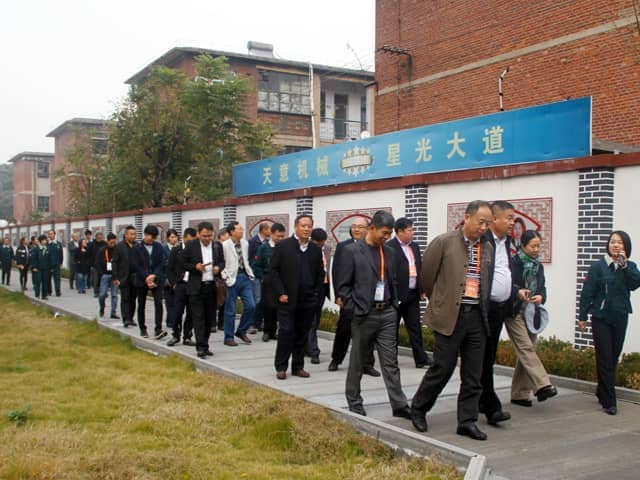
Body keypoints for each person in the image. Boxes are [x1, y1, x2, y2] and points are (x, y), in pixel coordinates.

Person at [410, 200, 493, 441]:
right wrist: (440, 301)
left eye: (488, 224)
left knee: (473, 374)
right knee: (442, 368)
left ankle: (467, 421)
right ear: (467, 217)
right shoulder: (444, 242)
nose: (484, 228)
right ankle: (419, 408)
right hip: (450, 316)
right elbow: (427, 277)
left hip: (477, 316)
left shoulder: (487, 247)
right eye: (481, 222)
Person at [335, 210, 411, 418]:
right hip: (364, 314)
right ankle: (354, 401)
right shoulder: (352, 251)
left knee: (390, 361)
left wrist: (394, 304)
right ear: (372, 228)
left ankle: (399, 404)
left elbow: (392, 280)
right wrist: (355, 308)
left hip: (387, 313)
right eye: (384, 233)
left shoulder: (390, 252)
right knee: (358, 361)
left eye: (389, 234)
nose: (386, 237)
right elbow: (343, 286)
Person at [579, 230, 640, 415]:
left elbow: (635, 284)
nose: (616, 245)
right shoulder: (598, 267)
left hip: (620, 316)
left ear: (625, 246)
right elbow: (587, 292)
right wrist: (582, 316)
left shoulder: (629, 266)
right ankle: (609, 401)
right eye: (613, 242)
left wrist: (625, 266)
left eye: (620, 242)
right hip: (601, 317)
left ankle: (602, 390)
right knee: (605, 357)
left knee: (613, 357)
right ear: (608, 245)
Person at [270, 214, 325, 380]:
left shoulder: (315, 249)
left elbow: (319, 273)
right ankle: (281, 366)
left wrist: (316, 294)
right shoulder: (284, 246)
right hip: (287, 299)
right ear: (295, 227)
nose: (306, 229)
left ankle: (298, 366)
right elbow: (273, 271)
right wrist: (280, 292)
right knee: (286, 332)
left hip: (308, 299)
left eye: (309, 226)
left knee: (302, 334)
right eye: (303, 226)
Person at [507, 230, 557, 407]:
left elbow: (542, 288)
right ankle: (543, 385)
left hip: (531, 311)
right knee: (526, 347)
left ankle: (519, 394)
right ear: (523, 246)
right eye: (533, 246)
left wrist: (541, 297)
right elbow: (507, 285)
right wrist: (518, 292)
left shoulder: (538, 266)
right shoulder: (513, 263)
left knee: (526, 352)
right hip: (514, 311)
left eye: (538, 246)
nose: (536, 249)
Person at [478, 201, 515, 427]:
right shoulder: (483, 241)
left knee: (488, 357)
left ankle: (481, 401)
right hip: (484, 308)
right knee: (482, 357)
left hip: (500, 309)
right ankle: (491, 406)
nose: (512, 222)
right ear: (495, 219)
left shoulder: (506, 241)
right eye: (509, 218)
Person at [328, 217, 378, 376]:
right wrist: (339, 295)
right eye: (354, 226)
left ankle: (367, 364)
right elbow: (336, 272)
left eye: (360, 227)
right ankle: (336, 359)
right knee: (344, 330)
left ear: (368, 229)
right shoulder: (344, 246)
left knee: (368, 333)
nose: (356, 229)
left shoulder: (373, 247)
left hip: (368, 299)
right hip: (349, 298)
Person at [387, 217, 430, 368]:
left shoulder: (415, 247)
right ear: (399, 232)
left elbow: (419, 268)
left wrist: (422, 289)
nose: (413, 233)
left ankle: (421, 360)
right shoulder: (390, 247)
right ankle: (391, 360)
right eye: (410, 230)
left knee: (415, 328)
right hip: (396, 295)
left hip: (412, 294)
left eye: (413, 230)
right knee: (392, 330)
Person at [182, 222, 225, 358]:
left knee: (209, 319)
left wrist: (218, 268)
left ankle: (205, 344)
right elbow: (183, 262)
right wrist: (195, 267)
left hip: (211, 286)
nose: (207, 238)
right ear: (199, 234)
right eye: (204, 236)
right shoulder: (191, 246)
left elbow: (222, 262)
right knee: (198, 318)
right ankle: (200, 347)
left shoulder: (217, 246)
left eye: (209, 236)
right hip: (196, 287)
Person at [221, 221, 256, 347]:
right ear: (232, 232)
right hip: (232, 278)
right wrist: (225, 276)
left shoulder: (245, 243)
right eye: (239, 229)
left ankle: (241, 330)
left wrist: (250, 273)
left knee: (251, 305)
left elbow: (246, 259)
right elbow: (221, 262)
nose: (242, 231)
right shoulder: (225, 245)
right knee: (230, 309)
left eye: (242, 229)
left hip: (245, 277)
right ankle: (228, 337)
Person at [254, 223, 286, 343]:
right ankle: (267, 331)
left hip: (281, 281)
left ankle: (274, 331)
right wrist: (263, 278)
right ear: (272, 234)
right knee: (268, 307)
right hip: (268, 281)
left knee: (279, 307)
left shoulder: (285, 248)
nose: (280, 239)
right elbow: (257, 266)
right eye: (278, 236)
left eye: (282, 236)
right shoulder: (264, 248)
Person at [131, 225, 166, 339]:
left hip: (156, 279)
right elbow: (136, 265)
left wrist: (154, 275)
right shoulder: (137, 248)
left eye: (153, 238)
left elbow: (161, 263)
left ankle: (158, 328)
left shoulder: (158, 247)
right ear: (145, 235)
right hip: (142, 280)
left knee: (158, 303)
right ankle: (143, 328)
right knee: (141, 304)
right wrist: (146, 277)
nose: (150, 239)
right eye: (148, 236)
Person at [166, 228, 197, 347]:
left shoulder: (196, 251)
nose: (191, 243)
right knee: (178, 311)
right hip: (180, 284)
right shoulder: (176, 250)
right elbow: (169, 268)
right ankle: (175, 335)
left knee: (191, 312)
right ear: (184, 238)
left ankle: (187, 336)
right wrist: (173, 283)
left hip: (192, 284)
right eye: (189, 241)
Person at [306, 227, 330, 364]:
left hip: (323, 288)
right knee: (312, 321)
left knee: (315, 320)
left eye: (323, 242)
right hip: (310, 290)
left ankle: (307, 347)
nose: (321, 245)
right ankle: (314, 351)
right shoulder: (307, 250)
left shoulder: (327, 249)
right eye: (319, 243)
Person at [112, 225, 137, 328]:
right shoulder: (119, 246)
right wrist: (115, 277)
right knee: (125, 298)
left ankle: (131, 318)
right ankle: (126, 319)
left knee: (133, 299)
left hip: (135, 277)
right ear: (126, 235)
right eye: (131, 234)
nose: (133, 236)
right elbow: (115, 262)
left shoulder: (137, 246)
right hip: (124, 277)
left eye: (134, 234)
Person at [248, 222, 271, 333]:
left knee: (263, 300)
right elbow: (250, 258)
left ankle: (258, 322)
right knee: (256, 299)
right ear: (264, 230)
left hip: (264, 275)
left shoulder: (267, 242)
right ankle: (251, 324)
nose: (270, 232)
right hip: (255, 275)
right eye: (269, 229)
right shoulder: (253, 242)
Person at [96, 233, 119, 319]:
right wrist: (101, 273)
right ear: (107, 241)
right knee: (102, 294)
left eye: (114, 242)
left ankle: (113, 312)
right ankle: (102, 308)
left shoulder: (118, 250)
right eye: (111, 242)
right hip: (105, 274)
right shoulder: (102, 250)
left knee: (114, 295)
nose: (113, 244)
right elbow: (97, 262)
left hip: (115, 275)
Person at [163, 229, 180, 330]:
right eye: (172, 237)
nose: (174, 239)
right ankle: (170, 320)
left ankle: (175, 320)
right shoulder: (164, 249)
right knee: (169, 301)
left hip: (177, 279)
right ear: (168, 238)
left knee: (176, 301)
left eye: (175, 237)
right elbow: (163, 264)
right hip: (167, 279)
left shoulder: (179, 249)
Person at [214, 229, 230, 331]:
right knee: (217, 300)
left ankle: (221, 323)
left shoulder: (228, 247)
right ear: (222, 236)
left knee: (223, 300)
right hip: (218, 278)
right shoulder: (216, 246)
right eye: (228, 235)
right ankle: (214, 323)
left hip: (225, 278)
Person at [30, 235, 49, 300]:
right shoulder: (36, 249)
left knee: (45, 282)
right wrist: (34, 267)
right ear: (41, 241)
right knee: (38, 281)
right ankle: (37, 294)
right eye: (44, 240)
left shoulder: (47, 248)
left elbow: (49, 258)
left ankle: (44, 295)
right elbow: (33, 258)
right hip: (38, 268)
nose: (45, 241)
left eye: (45, 240)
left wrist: (50, 267)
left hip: (45, 268)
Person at [89, 231, 106, 297]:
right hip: (95, 265)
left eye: (101, 236)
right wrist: (91, 264)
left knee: (104, 279)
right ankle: (96, 292)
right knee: (96, 279)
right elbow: (89, 254)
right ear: (96, 237)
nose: (99, 237)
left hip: (104, 265)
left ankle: (103, 292)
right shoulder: (92, 244)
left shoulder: (104, 244)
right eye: (98, 236)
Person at [47, 230, 63, 297]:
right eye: (49, 234)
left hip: (56, 264)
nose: (50, 235)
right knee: (48, 278)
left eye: (51, 234)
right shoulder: (47, 244)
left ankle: (58, 291)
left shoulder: (58, 244)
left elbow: (61, 254)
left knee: (57, 278)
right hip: (48, 264)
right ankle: (49, 291)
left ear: (54, 234)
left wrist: (61, 263)